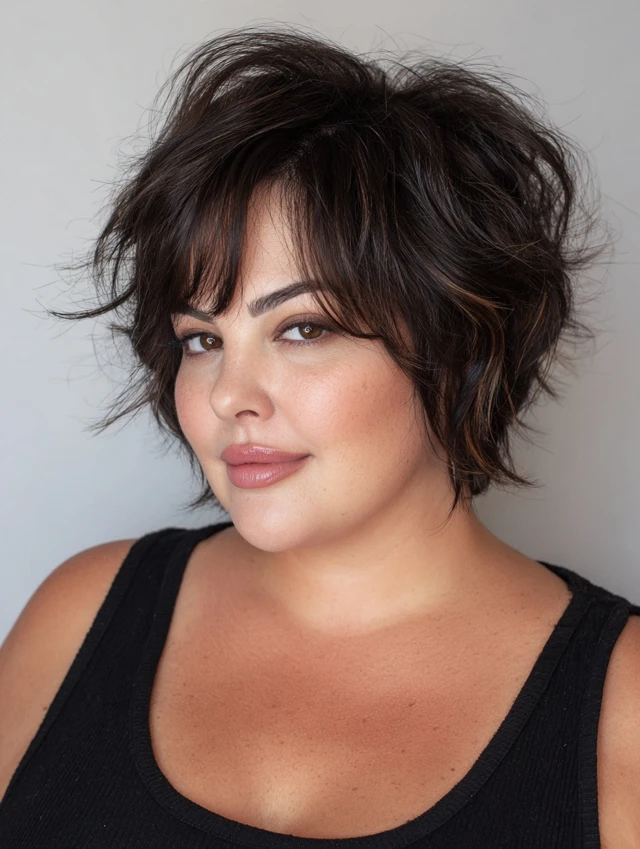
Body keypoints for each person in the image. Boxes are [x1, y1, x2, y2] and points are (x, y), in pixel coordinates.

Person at [0, 23, 638, 849]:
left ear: (458, 347)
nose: (229, 394)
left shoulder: (622, 707)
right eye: (202, 338)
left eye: (303, 328)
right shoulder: (81, 614)